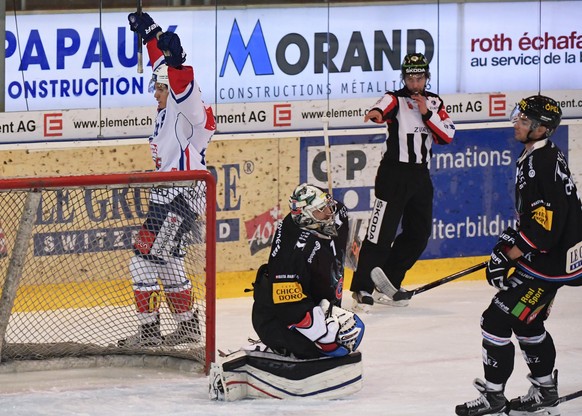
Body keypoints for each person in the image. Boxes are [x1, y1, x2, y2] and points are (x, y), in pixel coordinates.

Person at [455, 95, 582, 416]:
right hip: (554, 258)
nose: (517, 123)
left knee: (495, 320)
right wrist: (510, 244)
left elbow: (544, 230)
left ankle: (494, 396)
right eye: (520, 117)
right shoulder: (543, 155)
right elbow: (540, 221)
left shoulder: (540, 163)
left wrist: (509, 254)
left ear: (540, 129)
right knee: (527, 322)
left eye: (524, 121)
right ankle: (544, 389)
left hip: (549, 264)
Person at [118, 11, 216, 347]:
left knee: (141, 262)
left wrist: (177, 61)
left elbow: (179, 81)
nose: (155, 94)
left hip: (178, 200)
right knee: (171, 265)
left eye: (159, 89)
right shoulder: (169, 110)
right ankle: (188, 326)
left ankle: (148, 333)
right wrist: (151, 34)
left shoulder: (189, 111)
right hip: (170, 199)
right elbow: (165, 68)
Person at [350, 52, 455, 308]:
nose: (415, 83)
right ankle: (362, 287)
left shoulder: (434, 102)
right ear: (404, 78)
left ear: (427, 78)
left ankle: (389, 282)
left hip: (420, 175)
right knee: (380, 234)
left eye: (419, 78)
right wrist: (374, 113)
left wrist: (426, 114)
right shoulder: (394, 98)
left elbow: (448, 135)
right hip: (394, 174)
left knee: (419, 234)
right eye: (410, 78)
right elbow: (381, 108)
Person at [251, 184, 365, 359]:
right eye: (322, 210)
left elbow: (342, 218)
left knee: (349, 327)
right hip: (278, 319)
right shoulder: (291, 252)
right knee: (341, 332)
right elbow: (290, 308)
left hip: (313, 298)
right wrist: (324, 336)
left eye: (327, 206)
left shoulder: (331, 215)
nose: (329, 212)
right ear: (306, 217)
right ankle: (279, 347)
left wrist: (349, 245)